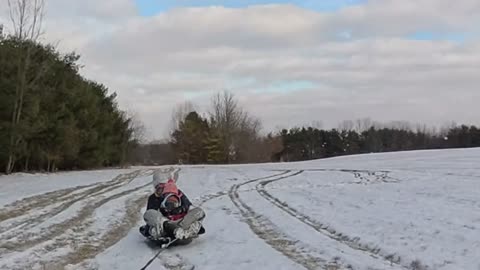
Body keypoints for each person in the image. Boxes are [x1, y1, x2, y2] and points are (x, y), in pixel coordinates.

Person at [140, 169, 205, 244]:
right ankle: (167, 231)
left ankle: (185, 231)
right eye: (158, 188)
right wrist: (163, 211)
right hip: (164, 224)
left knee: (198, 211)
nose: (160, 190)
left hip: (181, 222)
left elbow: (188, 205)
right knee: (150, 214)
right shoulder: (153, 198)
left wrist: (179, 209)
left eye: (163, 187)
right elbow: (150, 215)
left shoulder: (178, 194)